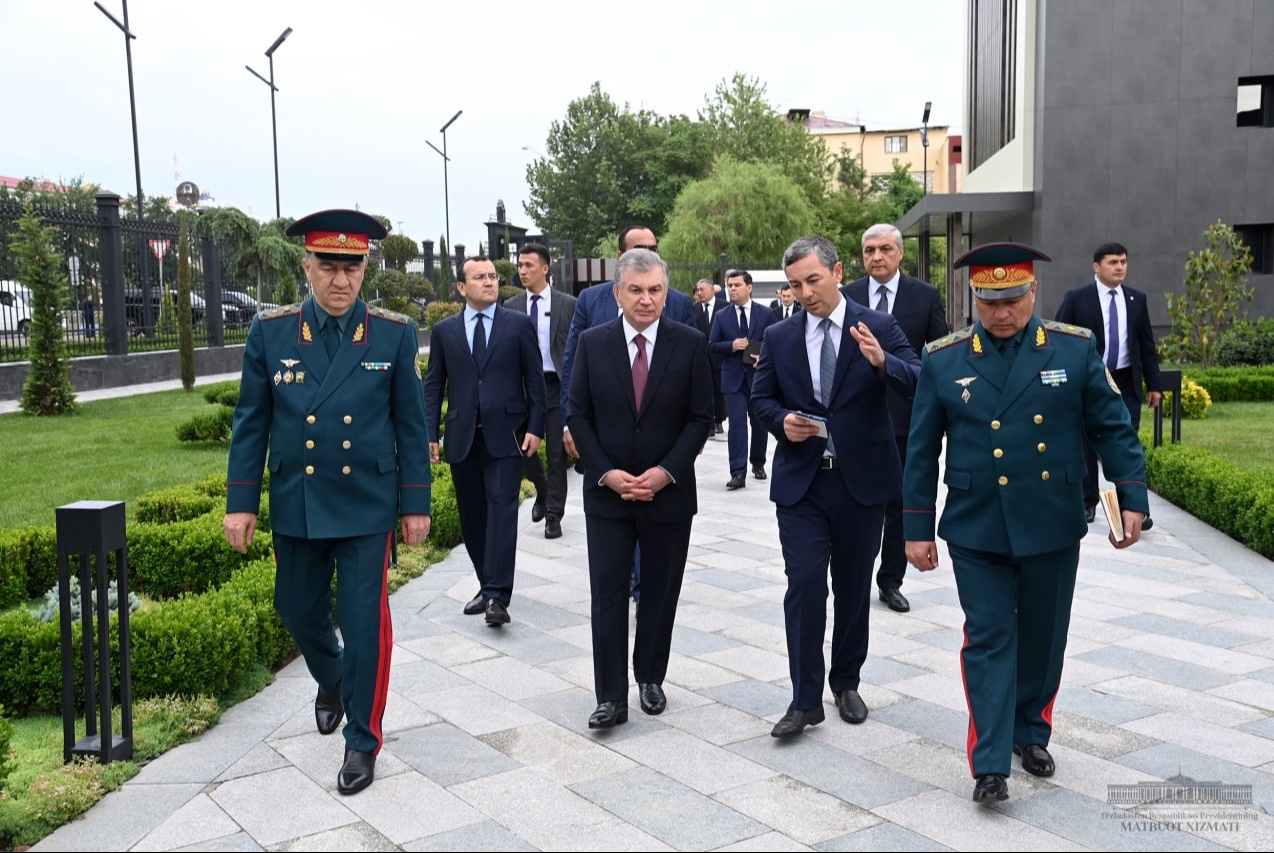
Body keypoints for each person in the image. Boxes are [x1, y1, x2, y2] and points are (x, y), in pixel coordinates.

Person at [903, 242, 1149, 805]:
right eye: (990, 302)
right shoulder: (944, 359)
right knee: (989, 639)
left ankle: (1029, 731)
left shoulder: (1073, 348)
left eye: (1013, 299)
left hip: (1051, 519)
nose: (1002, 312)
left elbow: (1112, 426)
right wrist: (916, 527)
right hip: (977, 524)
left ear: (1033, 292)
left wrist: (1131, 495)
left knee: (1043, 637)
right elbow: (920, 450)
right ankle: (990, 763)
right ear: (974, 299)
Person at [223, 209, 432, 796]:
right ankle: (332, 676)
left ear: (366, 269)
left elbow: (410, 423)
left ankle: (362, 740)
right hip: (301, 497)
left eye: (353, 268)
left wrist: (415, 502)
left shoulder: (391, 333)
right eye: (329, 267)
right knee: (295, 607)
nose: (341, 281)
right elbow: (251, 421)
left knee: (366, 625)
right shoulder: (272, 332)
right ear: (307, 266)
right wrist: (241, 500)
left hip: (366, 500)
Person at [750, 236, 920, 738]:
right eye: (795, 284)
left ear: (838, 272)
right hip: (802, 485)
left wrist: (883, 362)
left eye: (813, 280)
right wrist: (782, 422)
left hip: (861, 482)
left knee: (851, 587)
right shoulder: (779, 336)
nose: (805, 293)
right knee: (804, 585)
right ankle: (804, 700)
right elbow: (760, 399)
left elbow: (920, 376)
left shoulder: (878, 326)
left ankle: (846, 681)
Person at [567, 248, 713, 729]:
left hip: (668, 494)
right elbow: (578, 414)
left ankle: (650, 676)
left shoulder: (689, 343)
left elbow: (701, 418)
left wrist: (667, 471)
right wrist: (605, 472)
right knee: (608, 594)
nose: (646, 299)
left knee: (659, 591)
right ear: (618, 293)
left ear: (666, 293)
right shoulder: (592, 343)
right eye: (636, 290)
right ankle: (610, 696)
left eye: (654, 290)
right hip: (607, 494)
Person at [424, 257, 546, 625]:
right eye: (480, 277)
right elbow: (434, 384)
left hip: (507, 435)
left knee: (503, 510)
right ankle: (486, 583)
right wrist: (430, 433)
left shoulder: (518, 325)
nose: (489, 282)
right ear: (462, 287)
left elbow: (535, 379)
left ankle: (497, 596)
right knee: (473, 517)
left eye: (493, 276)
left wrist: (536, 427)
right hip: (462, 437)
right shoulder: (444, 331)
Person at [844, 223, 949, 613]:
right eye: (869, 250)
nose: (877, 257)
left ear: (900, 252)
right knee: (860, 501)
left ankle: (890, 579)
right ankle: (854, 573)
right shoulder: (847, 296)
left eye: (885, 249)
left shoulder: (925, 296)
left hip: (907, 420)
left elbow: (939, 356)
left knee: (901, 503)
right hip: (857, 419)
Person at [1054, 242, 1162, 528]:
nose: (1120, 267)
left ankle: (1132, 506)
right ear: (1096, 266)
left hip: (1125, 380)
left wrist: (1154, 385)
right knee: (1086, 442)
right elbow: (1060, 340)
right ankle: (1087, 501)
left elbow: (1146, 344)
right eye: (1113, 262)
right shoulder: (1077, 299)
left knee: (1126, 442)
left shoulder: (1137, 299)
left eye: (1123, 262)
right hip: (1089, 380)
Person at [504, 244, 577, 539]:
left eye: (529, 265)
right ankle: (542, 488)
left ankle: (554, 515)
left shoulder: (567, 304)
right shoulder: (510, 306)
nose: (522, 271)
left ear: (545, 269)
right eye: (520, 265)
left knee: (557, 453)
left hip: (555, 386)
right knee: (522, 447)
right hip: (523, 389)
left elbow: (576, 348)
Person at [710, 269, 778, 489]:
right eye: (729, 286)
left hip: (759, 379)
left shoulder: (766, 314)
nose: (732, 289)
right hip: (733, 380)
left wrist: (763, 358)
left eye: (736, 285)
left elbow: (776, 342)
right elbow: (711, 345)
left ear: (749, 287)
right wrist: (731, 345)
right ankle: (737, 472)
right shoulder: (722, 316)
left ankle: (758, 463)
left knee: (759, 424)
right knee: (737, 425)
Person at [693, 278, 727, 435]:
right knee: (704, 391)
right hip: (701, 357)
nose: (699, 293)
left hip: (719, 357)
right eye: (698, 290)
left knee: (719, 390)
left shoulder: (724, 307)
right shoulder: (694, 309)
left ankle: (719, 419)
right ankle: (709, 422)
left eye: (702, 290)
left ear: (712, 290)